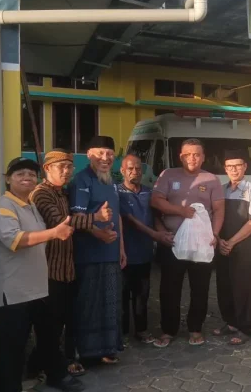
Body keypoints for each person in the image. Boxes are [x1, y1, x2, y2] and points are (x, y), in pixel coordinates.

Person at [0, 157, 80, 392]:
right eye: (19, 174)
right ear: (8, 179)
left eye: (31, 174)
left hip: (29, 289)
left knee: (15, 344)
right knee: (10, 346)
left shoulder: (30, 206)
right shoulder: (4, 207)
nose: (26, 177)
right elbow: (15, 240)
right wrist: (54, 233)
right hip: (9, 289)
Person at [28, 149, 111, 378]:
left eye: (69, 167)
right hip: (49, 270)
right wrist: (96, 218)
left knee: (67, 318)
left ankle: (55, 362)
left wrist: (98, 229)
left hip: (68, 268)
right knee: (50, 324)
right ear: (47, 168)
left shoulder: (64, 193)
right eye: (61, 167)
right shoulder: (41, 194)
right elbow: (60, 223)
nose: (66, 172)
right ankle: (42, 367)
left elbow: (76, 218)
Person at [151, 138, 225, 347]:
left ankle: (195, 328)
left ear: (203, 157)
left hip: (201, 243)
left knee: (200, 287)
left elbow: (219, 209)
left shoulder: (211, 179)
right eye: (188, 154)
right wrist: (180, 211)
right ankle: (168, 330)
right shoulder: (168, 175)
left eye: (197, 154)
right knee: (169, 288)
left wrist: (215, 234)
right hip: (172, 242)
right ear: (181, 156)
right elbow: (156, 201)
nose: (192, 158)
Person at [69, 136, 125, 365]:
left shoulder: (111, 181)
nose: (105, 158)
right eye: (100, 153)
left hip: (111, 253)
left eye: (109, 154)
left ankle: (107, 348)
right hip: (89, 255)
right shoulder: (81, 180)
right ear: (89, 155)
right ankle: (87, 353)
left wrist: (121, 248)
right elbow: (77, 217)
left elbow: (117, 215)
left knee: (110, 303)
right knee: (89, 304)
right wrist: (99, 233)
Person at [118, 153, 174, 344]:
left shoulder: (149, 193)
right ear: (122, 171)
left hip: (144, 253)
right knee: (122, 293)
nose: (135, 172)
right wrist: (155, 235)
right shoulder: (117, 193)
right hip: (124, 254)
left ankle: (141, 330)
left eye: (138, 168)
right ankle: (122, 332)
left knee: (142, 294)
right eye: (130, 168)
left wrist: (163, 233)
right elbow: (130, 220)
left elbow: (156, 217)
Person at [213, 149, 251, 345]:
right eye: (230, 166)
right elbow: (214, 216)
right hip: (222, 245)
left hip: (243, 245)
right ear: (225, 169)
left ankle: (245, 327)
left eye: (238, 165)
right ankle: (231, 322)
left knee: (244, 286)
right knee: (224, 285)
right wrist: (219, 240)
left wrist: (232, 242)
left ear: (245, 167)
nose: (234, 169)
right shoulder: (220, 190)